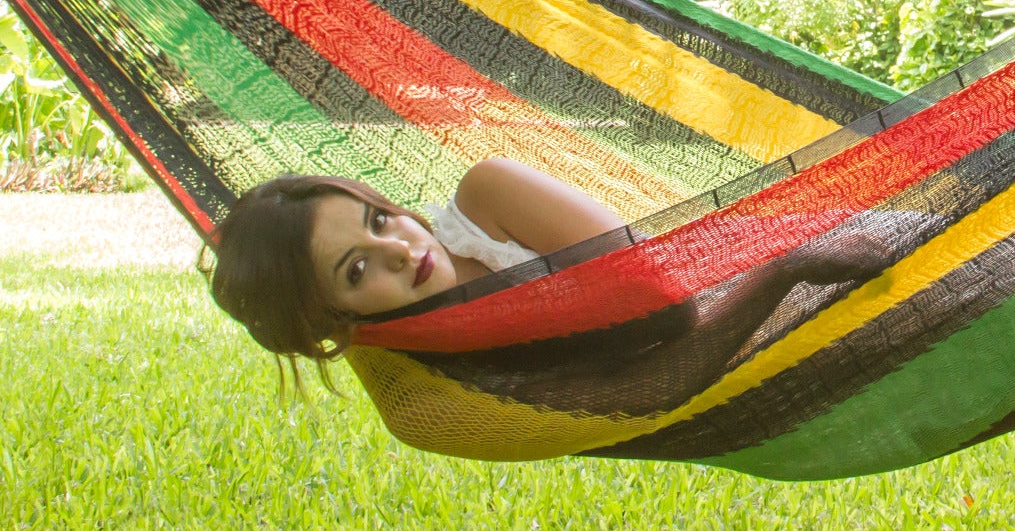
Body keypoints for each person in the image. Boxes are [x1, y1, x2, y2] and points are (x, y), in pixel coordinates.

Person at [201, 157, 889, 401]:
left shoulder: (490, 199)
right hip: (794, 321)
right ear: (333, 322)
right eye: (355, 270)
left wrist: (784, 266)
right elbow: (651, 390)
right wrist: (782, 278)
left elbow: (665, 305)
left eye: (379, 220)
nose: (398, 249)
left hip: (852, 245)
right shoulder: (426, 382)